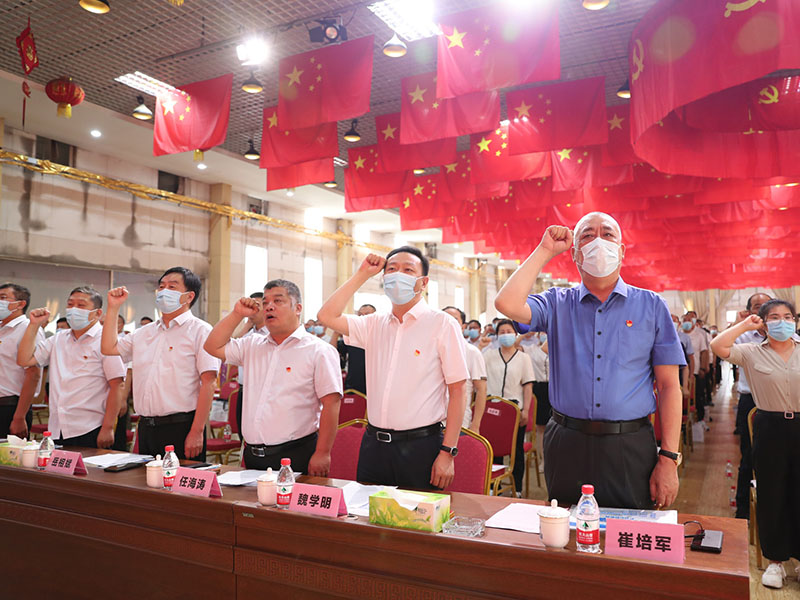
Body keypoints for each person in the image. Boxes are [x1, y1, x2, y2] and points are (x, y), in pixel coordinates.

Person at [495, 213, 685, 509]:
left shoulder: (651, 305)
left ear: (621, 251)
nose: (598, 241)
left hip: (629, 442)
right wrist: (544, 250)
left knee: (627, 540)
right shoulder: (557, 303)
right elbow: (506, 303)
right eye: (587, 236)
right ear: (575, 254)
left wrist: (669, 458)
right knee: (565, 536)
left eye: (608, 234)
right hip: (567, 441)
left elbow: (669, 386)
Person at [318, 247, 468, 490]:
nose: (399, 275)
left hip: (421, 446)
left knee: (415, 524)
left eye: (408, 270)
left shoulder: (441, 324)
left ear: (423, 282)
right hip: (374, 445)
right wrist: (362, 274)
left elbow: (459, 391)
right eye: (392, 270)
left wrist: (447, 452)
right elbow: (326, 315)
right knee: (367, 521)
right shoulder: (373, 324)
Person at [204, 280, 342, 474]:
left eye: (278, 301)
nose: (269, 306)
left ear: (298, 308)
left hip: (295, 453)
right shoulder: (252, 345)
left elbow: (331, 403)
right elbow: (212, 346)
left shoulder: (319, 350)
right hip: (253, 455)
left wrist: (323, 452)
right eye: (265, 302)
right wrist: (237, 314)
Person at [710, 300, 800, 590]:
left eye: (788, 317)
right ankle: (775, 560)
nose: (782, 322)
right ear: (762, 322)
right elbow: (718, 346)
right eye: (774, 317)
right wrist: (744, 325)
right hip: (770, 426)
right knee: (772, 491)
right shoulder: (751, 352)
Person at [100, 267, 220, 460]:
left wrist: (197, 431)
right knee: (147, 485)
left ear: (188, 296)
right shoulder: (144, 332)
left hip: (181, 425)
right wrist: (113, 307)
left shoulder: (200, 330)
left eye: (172, 287)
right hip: (147, 425)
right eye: (161, 286)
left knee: (180, 487)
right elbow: (109, 348)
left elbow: (209, 383)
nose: (164, 291)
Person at [17, 287, 125, 449]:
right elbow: (24, 359)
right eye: (70, 304)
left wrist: (108, 427)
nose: (74, 310)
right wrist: (33, 325)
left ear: (97, 313)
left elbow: (117, 384)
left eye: (81, 305)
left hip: (91, 426)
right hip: (58, 426)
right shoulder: (59, 338)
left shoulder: (105, 340)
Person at [730, 292, 771, 519]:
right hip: (752, 402)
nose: (763, 310)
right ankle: (744, 509)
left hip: (785, 403)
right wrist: (739, 323)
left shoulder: (790, 338)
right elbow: (721, 344)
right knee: (749, 457)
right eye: (757, 306)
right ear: (750, 311)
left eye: (768, 306)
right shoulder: (744, 337)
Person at [483, 319, 534, 496]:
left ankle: (517, 488)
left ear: (515, 334)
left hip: (514, 411)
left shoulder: (524, 358)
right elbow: (480, 381)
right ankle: (491, 486)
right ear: (497, 336)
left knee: (516, 451)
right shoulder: (488, 355)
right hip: (491, 410)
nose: (505, 335)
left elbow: (528, 386)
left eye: (508, 331)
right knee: (492, 450)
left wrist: (526, 410)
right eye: (502, 332)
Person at [0, 283, 43, 438]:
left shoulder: (28, 329)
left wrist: (19, 417)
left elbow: (33, 375)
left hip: (11, 407)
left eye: (3, 298)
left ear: (20, 304)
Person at [443, 306, 487, 431]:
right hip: (432, 422)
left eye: (454, 319)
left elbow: (481, 390)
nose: (449, 322)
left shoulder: (472, 352)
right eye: (445, 318)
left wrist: (476, 424)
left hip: (460, 422)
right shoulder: (430, 350)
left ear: (463, 326)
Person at [230, 291, 268, 435]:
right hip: (244, 390)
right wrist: (247, 325)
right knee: (243, 433)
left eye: (257, 305)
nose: (252, 308)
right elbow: (229, 344)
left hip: (262, 390)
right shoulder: (246, 334)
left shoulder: (272, 335)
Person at [331, 303, 376, 395]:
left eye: (367, 314)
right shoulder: (351, 336)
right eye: (360, 315)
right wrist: (336, 333)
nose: (363, 318)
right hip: (354, 386)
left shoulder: (382, 335)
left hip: (375, 386)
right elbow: (332, 352)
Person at [522, 329, 550, 474]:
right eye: (541, 332)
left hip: (555, 386)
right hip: (539, 388)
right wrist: (525, 333)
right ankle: (543, 460)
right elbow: (515, 345)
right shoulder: (530, 349)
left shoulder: (557, 345)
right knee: (541, 429)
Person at [681, 313, 711, 426]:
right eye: (684, 320)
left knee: (698, 395)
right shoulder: (678, 334)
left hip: (695, 370)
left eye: (689, 320)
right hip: (681, 371)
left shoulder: (699, 335)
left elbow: (704, 352)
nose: (686, 322)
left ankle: (700, 419)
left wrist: (704, 367)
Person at [114, 312, 133, 451]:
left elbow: (128, 372)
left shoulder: (126, 342)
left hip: (119, 393)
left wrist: (123, 399)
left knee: (117, 436)